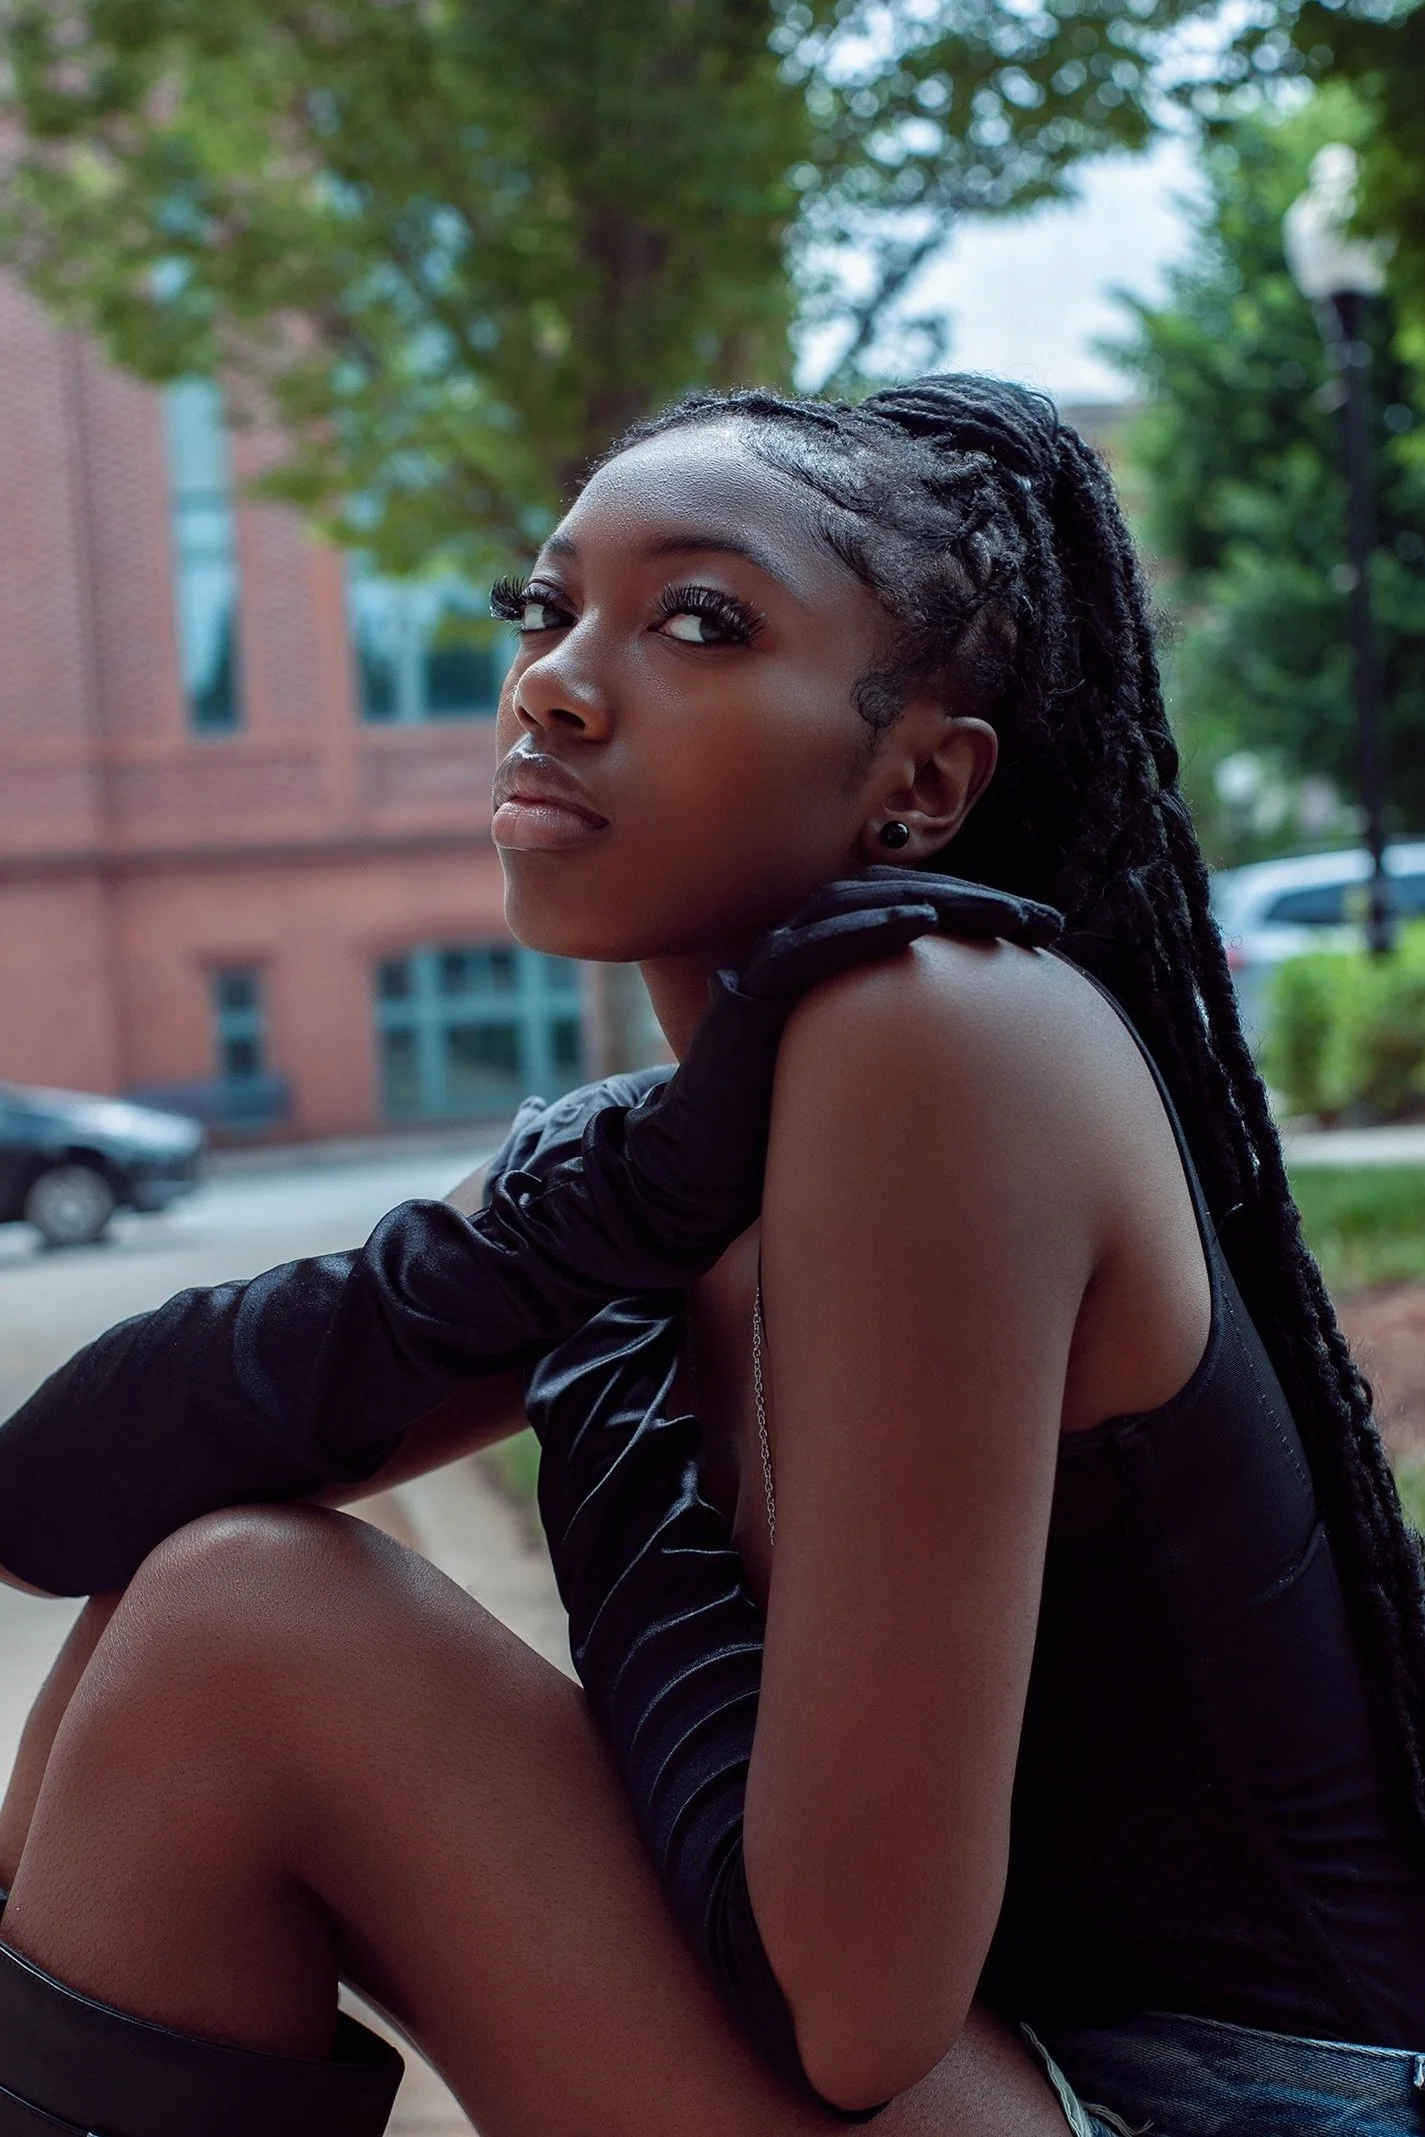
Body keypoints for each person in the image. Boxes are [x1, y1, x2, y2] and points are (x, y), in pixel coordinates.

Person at [1, 373, 1423, 2137]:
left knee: (244, 1627)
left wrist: (604, 1310)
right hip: (1004, 2081)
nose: (555, 684)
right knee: (194, 1603)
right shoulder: (670, 1159)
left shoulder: (948, 1036)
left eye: (698, 618)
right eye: (547, 608)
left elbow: (852, 2009)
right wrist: (610, 1211)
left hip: (1206, 2107)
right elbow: (51, 1510)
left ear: (921, 781)